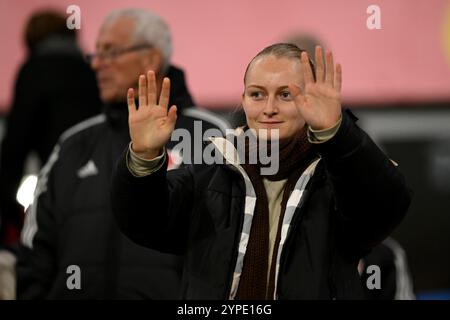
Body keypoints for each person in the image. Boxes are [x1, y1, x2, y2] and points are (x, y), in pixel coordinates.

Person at [111, 43, 412, 299]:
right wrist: (144, 157)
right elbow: (144, 222)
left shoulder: (338, 174)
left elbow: (385, 207)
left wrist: (337, 132)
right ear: (242, 100)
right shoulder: (210, 170)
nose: (269, 108)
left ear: (313, 101)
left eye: (285, 95)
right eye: (257, 94)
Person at [16, 8, 229, 299]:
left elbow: (230, 246)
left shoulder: (210, 137)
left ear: (152, 58)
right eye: (96, 53)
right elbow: (35, 250)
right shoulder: (73, 143)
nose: (97, 64)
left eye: (111, 52)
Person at [0, 10, 101, 251]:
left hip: (57, 185)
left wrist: (7, 213)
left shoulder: (34, 71)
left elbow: (16, 144)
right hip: (99, 184)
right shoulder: (91, 71)